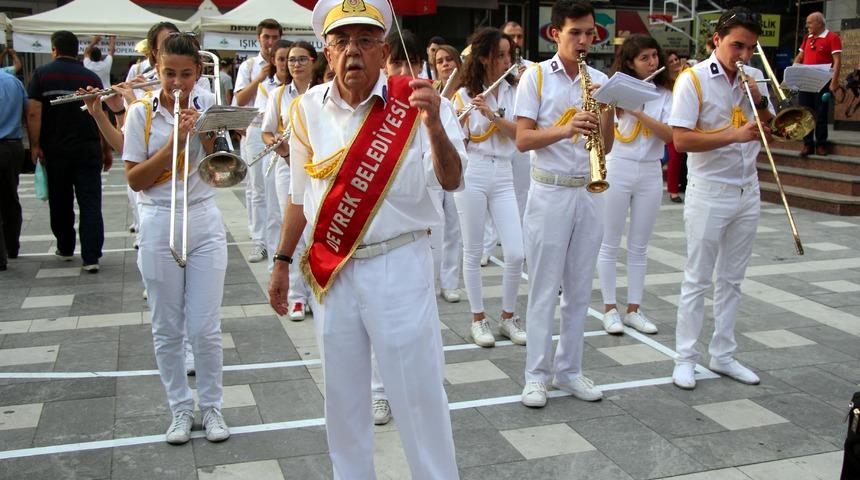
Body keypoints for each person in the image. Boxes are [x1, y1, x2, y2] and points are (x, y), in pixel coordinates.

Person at [268, 0, 465, 476]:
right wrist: (280, 261)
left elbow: (453, 178)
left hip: (399, 262)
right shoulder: (304, 110)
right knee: (344, 397)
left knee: (418, 396)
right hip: (334, 269)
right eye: (341, 41)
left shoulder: (417, 99)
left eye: (365, 40)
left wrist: (435, 125)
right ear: (325, 52)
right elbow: (299, 196)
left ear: (383, 48)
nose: (352, 51)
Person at [123, 32, 230, 445]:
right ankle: (180, 409)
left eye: (186, 75)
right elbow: (135, 179)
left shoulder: (208, 109)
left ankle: (213, 407)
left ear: (198, 73)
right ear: (156, 68)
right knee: (167, 327)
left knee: (204, 327)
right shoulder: (139, 113)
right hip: (158, 218)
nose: (177, 84)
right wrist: (176, 140)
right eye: (169, 74)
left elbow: (221, 172)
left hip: (203, 217)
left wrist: (204, 131)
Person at [514, 0, 614, 408]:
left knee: (578, 288)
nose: (584, 40)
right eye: (576, 32)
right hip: (550, 190)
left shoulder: (601, 78)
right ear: (556, 34)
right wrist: (565, 128)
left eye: (590, 33)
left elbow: (605, 145)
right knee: (543, 287)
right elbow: (522, 139)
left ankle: (569, 369)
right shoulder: (536, 77)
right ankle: (536, 375)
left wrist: (606, 110)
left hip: (588, 191)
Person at [669, 7, 774, 390]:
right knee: (697, 278)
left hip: (749, 187)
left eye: (750, 47)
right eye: (737, 46)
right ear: (717, 40)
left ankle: (723, 354)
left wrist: (761, 102)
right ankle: (685, 357)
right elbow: (680, 141)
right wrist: (733, 135)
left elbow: (773, 131)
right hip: (709, 189)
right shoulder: (692, 79)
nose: (744, 55)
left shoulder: (755, 77)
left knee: (732, 280)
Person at [596, 34, 673, 335]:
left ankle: (634, 309)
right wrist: (612, 103)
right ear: (629, 62)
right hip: (619, 167)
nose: (653, 62)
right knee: (610, 241)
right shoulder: (616, 89)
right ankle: (609, 308)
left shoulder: (665, 92)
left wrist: (638, 110)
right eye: (644, 58)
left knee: (639, 245)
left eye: (655, 56)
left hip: (651, 171)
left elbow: (669, 136)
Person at [454, 27, 526, 348]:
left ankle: (509, 316)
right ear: (483, 58)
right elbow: (458, 144)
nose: (506, 60)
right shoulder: (463, 96)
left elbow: (520, 135)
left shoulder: (515, 91)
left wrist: (493, 115)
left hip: (505, 173)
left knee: (515, 252)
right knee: (472, 250)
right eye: (500, 55)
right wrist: (458, 121)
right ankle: (478, 317)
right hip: (474, 172)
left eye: (509, 54)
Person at [26, 31, 107, 272]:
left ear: (54, 49)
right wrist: (105, 148)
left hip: (56, 149)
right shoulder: (91, 76)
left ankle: (65, 246)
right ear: (76, 49)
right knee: (91, 202)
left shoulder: (42, 75)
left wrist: (35, 145)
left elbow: (33, 113)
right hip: (88, 148)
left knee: (60, 201)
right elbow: (99, 115)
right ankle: (91, 256)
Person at [261, 40, 319, 323]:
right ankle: (297, 296)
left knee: (315, 230)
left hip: (319, 166)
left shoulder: (324, 91)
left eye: (301, 59)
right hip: (287, 166)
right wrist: (279, 146)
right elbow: (267, 132)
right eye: (290, 60)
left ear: (313, 61)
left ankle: (315, 290)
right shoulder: (278, 94)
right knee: (293, 228)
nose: (294, 64)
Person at [234, 19, 283, 264]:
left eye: (274, 37)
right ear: (259, 38)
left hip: (280, 130)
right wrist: (259, 78)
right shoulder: (250, 66)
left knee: (279, 187)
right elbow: (240, 100)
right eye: (266, 37)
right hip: (254, 129)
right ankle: (259, 241)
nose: (270, 42)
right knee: (257, 189)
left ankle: (278, 239)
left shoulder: (284, 62)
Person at [794, 11, 842, 156]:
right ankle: (807, 144)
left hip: (822, 82)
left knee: (821, 113)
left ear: (819, 23)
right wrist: (795, 65)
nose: (807, 25)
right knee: (805, 113)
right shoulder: (808, 38)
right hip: (806, 82)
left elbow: (838, 61)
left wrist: (834, 82)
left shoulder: (832, 37)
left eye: (810, 22)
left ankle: (821, 144)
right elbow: (801, 56)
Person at [0, 69, 28, 271]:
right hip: (12, 145)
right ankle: (12, 246)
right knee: (10, 196)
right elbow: (29, 112)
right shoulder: (13, 82)